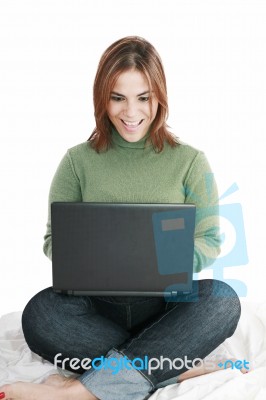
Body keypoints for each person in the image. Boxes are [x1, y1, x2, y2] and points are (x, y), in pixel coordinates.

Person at [0, 36, 241, 400]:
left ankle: (76, 392)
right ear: (102, 98)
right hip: (97, 306)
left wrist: (165, 262)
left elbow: (210, 238)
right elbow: (54, 241)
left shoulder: (190, 161)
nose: (131, 112)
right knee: (40, 314)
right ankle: (170, 368)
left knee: (222, 299)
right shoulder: (77, 161)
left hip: (165, 305)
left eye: (143, 97)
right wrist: (94, 259)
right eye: (118, 97)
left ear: (159, 96)